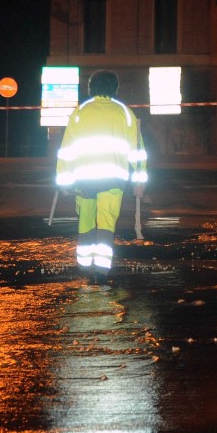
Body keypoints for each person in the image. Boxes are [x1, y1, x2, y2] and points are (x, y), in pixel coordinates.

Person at [55, 70, 147, 284]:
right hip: (113, 180)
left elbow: (66, 150)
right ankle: (101, 272)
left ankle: (84, 267)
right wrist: (139, 181)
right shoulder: (125, 113)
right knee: (106, 223)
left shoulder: (80, 112)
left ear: (90, 88)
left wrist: (63, 181)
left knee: (86, 222)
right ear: (115, 89)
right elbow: (138, 152)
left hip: (84, 180)